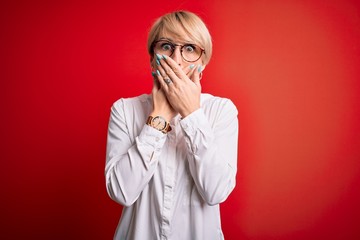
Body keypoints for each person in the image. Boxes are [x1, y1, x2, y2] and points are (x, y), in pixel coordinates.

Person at [105, 10, 238, 240]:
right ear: (151, 58)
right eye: (166, 46)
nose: (176, 59)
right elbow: (121, 192)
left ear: (202, 63)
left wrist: (190, 113)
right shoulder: (124, 110)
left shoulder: (221, 111)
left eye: (189, 49)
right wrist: (158, 118)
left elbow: (215, 191)